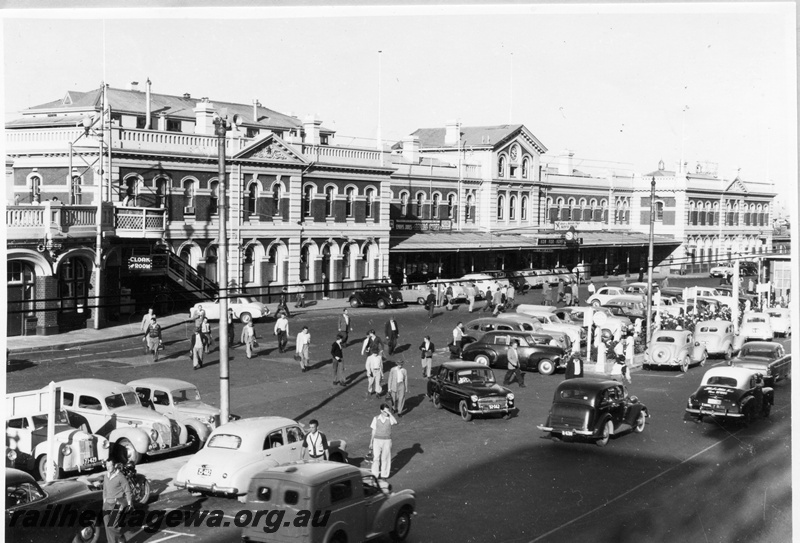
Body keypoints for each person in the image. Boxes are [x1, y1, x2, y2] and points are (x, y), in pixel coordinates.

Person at [100, 460, 133, 543]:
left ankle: (120, 538)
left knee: (111, 526)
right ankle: (117, 540)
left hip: (116, 504)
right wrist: (104, 501)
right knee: (107, 527)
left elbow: (127, 490)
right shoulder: (106, 476)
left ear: (114, 466)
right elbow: (104, 489)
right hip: (107, 504)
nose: (108, 468)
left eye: (110, 466)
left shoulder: (120, 476)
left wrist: (129, 503)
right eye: (106, 466)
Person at [369, 404, 398, 479]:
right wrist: (371, 442)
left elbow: (395, 422)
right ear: (381, 411)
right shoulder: (375, 418)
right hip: (377, 440)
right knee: (376, 458)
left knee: (385, 458)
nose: (387, 413)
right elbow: (373, 431)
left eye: (388, 411)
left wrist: (390, 414)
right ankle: (375, 475)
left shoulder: (389, 418)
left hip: (387, 440)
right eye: (385, 411)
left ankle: (384, 475)